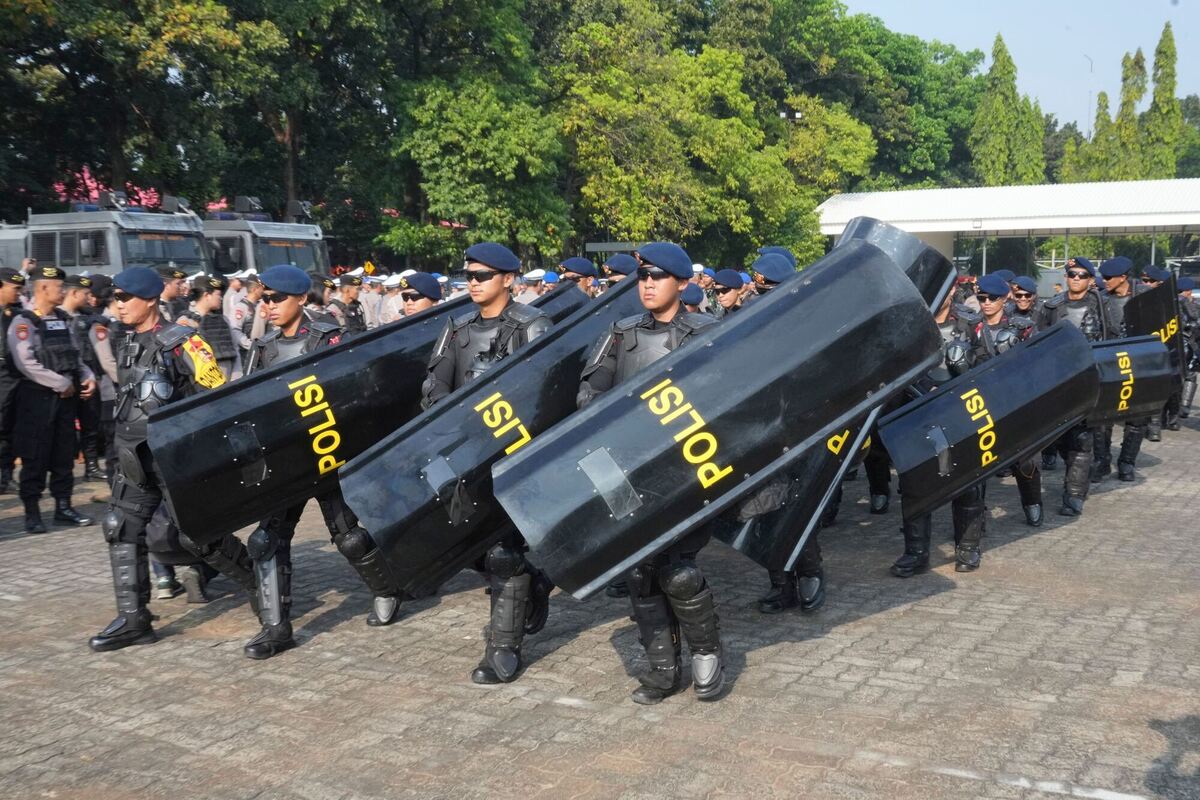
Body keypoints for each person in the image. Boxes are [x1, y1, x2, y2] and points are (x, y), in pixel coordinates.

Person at [577, 242, 724, 704]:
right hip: (624, 467)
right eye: (642, 277)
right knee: (640, 572)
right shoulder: (620, 333)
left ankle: (706, 653)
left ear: (681, 283)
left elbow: (720, 396)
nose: (647, 284)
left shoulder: (705, 331)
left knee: (678, 571)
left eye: (657, 277)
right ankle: (663, 671)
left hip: (683, 467)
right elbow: (589, 391)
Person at [237, 265, 406, 658]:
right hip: (285, 459)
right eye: (265, 299)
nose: (269, 306)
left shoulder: (330, 339)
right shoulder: (263, 348)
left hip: (328, 452)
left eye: (277, 299)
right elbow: (245, 405)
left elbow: (358, 390)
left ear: (300, 299)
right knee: (267, 539)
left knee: (347, 536)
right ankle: (275, 627)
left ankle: (387, 588)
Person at [88, 267, 258, 652]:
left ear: (150, 299)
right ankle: (134, 620)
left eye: (125, 298)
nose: (118, 304)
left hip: (175, 458)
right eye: (115, 298)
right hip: (134, 460)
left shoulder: (185, 342)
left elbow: (216, 398)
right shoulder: (126, 340)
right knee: (120, 526)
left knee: (197, 535)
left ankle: (258, 582)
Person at [422, 242, 553, 684]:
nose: (472, 283)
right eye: (469, 275)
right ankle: (533, 581)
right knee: (467, 549)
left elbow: (540, 397)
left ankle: (502, 650)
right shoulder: (455, 327)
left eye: (482, 276)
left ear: (508, 280)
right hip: (463, 457)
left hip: (512, 457)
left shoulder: (532, 326)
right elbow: (433, 387)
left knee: (502, 553)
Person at [7, 266, 97, 532]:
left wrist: (87, 375)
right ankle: (32, 513)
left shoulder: (61, 318)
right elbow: (26, 363)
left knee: (64, 454)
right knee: (35, 456)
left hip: (66, 400)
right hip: (38, 401)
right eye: (59, 287)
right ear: (43, 288)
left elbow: (74, 354)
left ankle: (63, 506)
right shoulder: (24, 321)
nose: (64, 291)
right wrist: (60, 383)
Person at [1039, 257, 1112, 516]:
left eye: (1082, 275)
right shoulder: (1050, 307)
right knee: (1058, 438)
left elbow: (1114, 341)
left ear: (1091, 279)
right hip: (1058, 382)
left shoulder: (1102, 306)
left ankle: (1073, 495)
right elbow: (1040, 344)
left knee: (1082, 441)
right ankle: (1081, 471)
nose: (1076, 279)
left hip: (1090, 379)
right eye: (1072, 274)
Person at [1096, 257, 1148, 482]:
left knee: (1137, 417)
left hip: (1139, 362)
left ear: (1123, 278)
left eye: (1108, 278)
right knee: (1102, 415)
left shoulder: (1145, 296)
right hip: (1109, 362)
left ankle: (1127, 462)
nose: (1104, 281)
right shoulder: (1100, 299)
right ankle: (1102, 461)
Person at [61, 274, 107, 482]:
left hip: (89, 377)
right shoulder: (55, 316)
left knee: (91, 424)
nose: (90, 297)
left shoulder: (89, 316)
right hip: (65, 379)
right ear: (73, 293)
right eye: (86, 294)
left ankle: (92, 466)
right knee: (64, 428)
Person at [179, 275, 244, 382]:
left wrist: (236, 379)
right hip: (202, 383)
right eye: (218, 294)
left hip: (229, 381)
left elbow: (235, 350)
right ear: (207, 295)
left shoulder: (223, 320)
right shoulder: (186, 321)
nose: (221, 298)